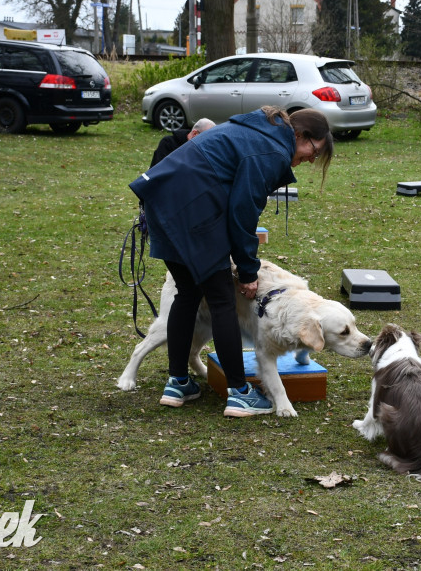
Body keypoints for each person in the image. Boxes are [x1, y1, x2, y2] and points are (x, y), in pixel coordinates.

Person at [129, 106, 333, 415]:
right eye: (313, 150)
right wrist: (248, 270)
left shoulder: (257, 133)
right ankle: (239, 393)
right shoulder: (271, 151)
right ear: (300, 135)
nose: (309, 159)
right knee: (222, 298)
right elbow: (243, 211)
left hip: (161, 205)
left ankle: (178, 383)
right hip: (193, 211)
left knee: (187, 293)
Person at [150, 118, 216, 168]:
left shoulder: (205, 151)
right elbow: (158, 171)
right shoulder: (168, 143)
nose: (208, 144)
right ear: (195, 133)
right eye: (206, 139)